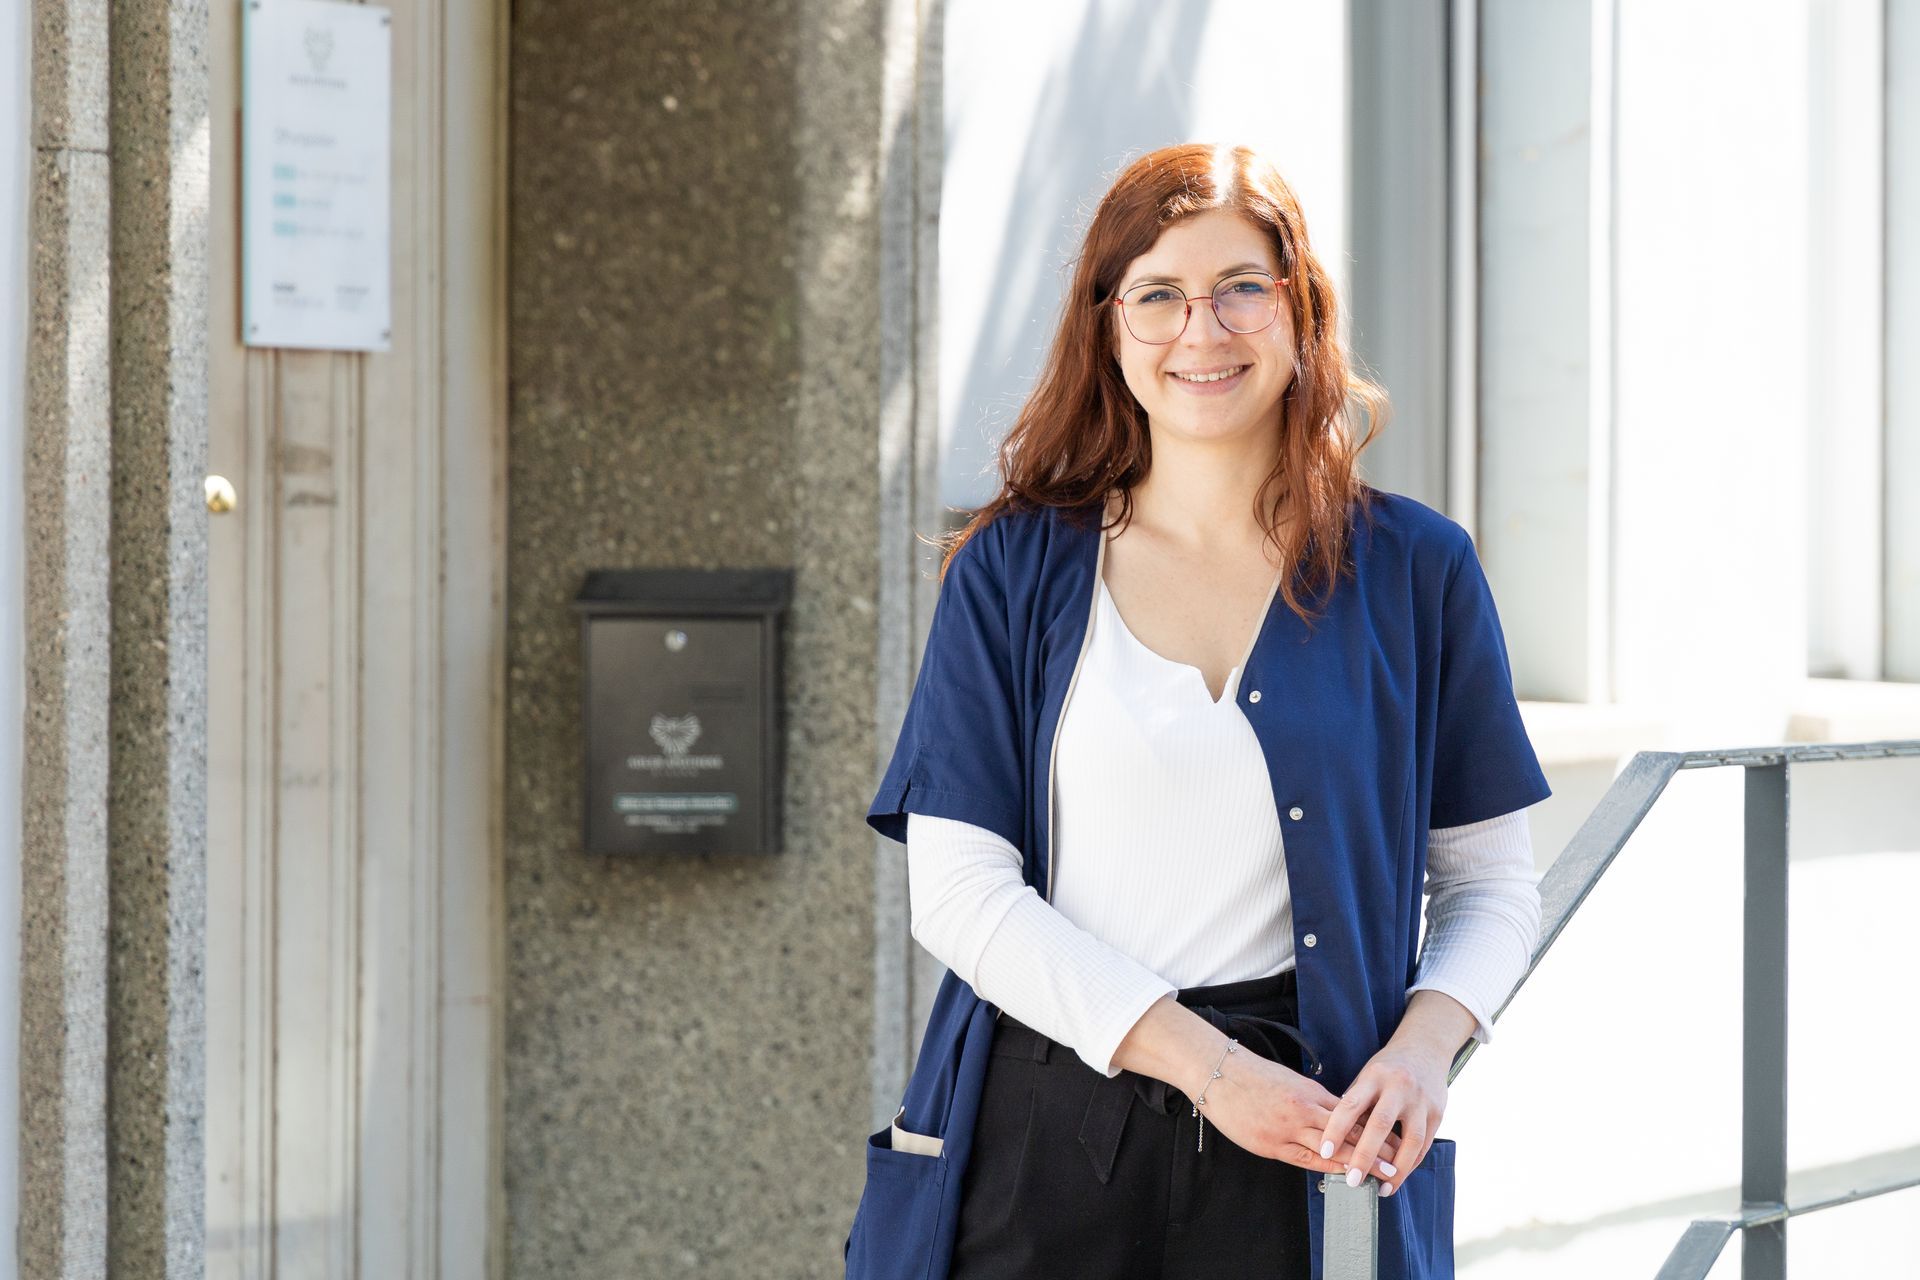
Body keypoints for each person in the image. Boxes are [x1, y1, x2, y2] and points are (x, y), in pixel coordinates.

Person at [843, 143, 1550, 1280]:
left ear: (1299, 310)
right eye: (1159, 294)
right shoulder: (1014, 565)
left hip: (1311, 1136)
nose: (1201, 331)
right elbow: (962, 891)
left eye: (1240, 289)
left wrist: (1424, 1049)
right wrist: (1207, 1069)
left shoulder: (1417, 567)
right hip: (1049, 1135)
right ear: (1110, 324)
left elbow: (1489, 882)